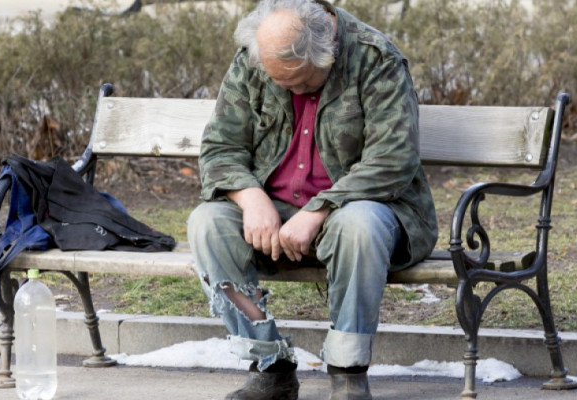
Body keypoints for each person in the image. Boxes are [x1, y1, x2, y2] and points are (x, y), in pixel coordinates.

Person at [187, 0, 438, 398]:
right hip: (274, 211)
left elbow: (393, 160)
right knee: (206, 223)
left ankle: (348, 374)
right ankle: (270, 367)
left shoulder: (377, 59)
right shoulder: (255, 57)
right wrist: (251, 198)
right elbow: (221, 148)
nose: (291, 90)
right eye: (280, 81)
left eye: (301, 83)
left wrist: (318, 209)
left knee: (358, 225)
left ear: (328, 53)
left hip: (360, 211)